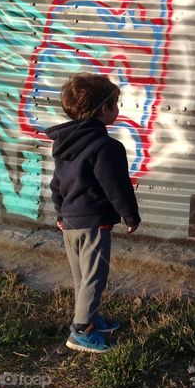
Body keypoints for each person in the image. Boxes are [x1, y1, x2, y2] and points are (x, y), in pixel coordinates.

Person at [47, 73, 141, 353]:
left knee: (81, 277)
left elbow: (56, 183)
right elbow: (117, 187)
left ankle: (89, 317)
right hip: (94, 223)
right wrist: (131, 216)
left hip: (71, 223)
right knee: (94, 278)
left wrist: (60, 214)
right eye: (115, 104)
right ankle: (81, 332)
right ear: (104, 110)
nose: (118, 109)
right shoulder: (107, 147)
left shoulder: (65, 144)